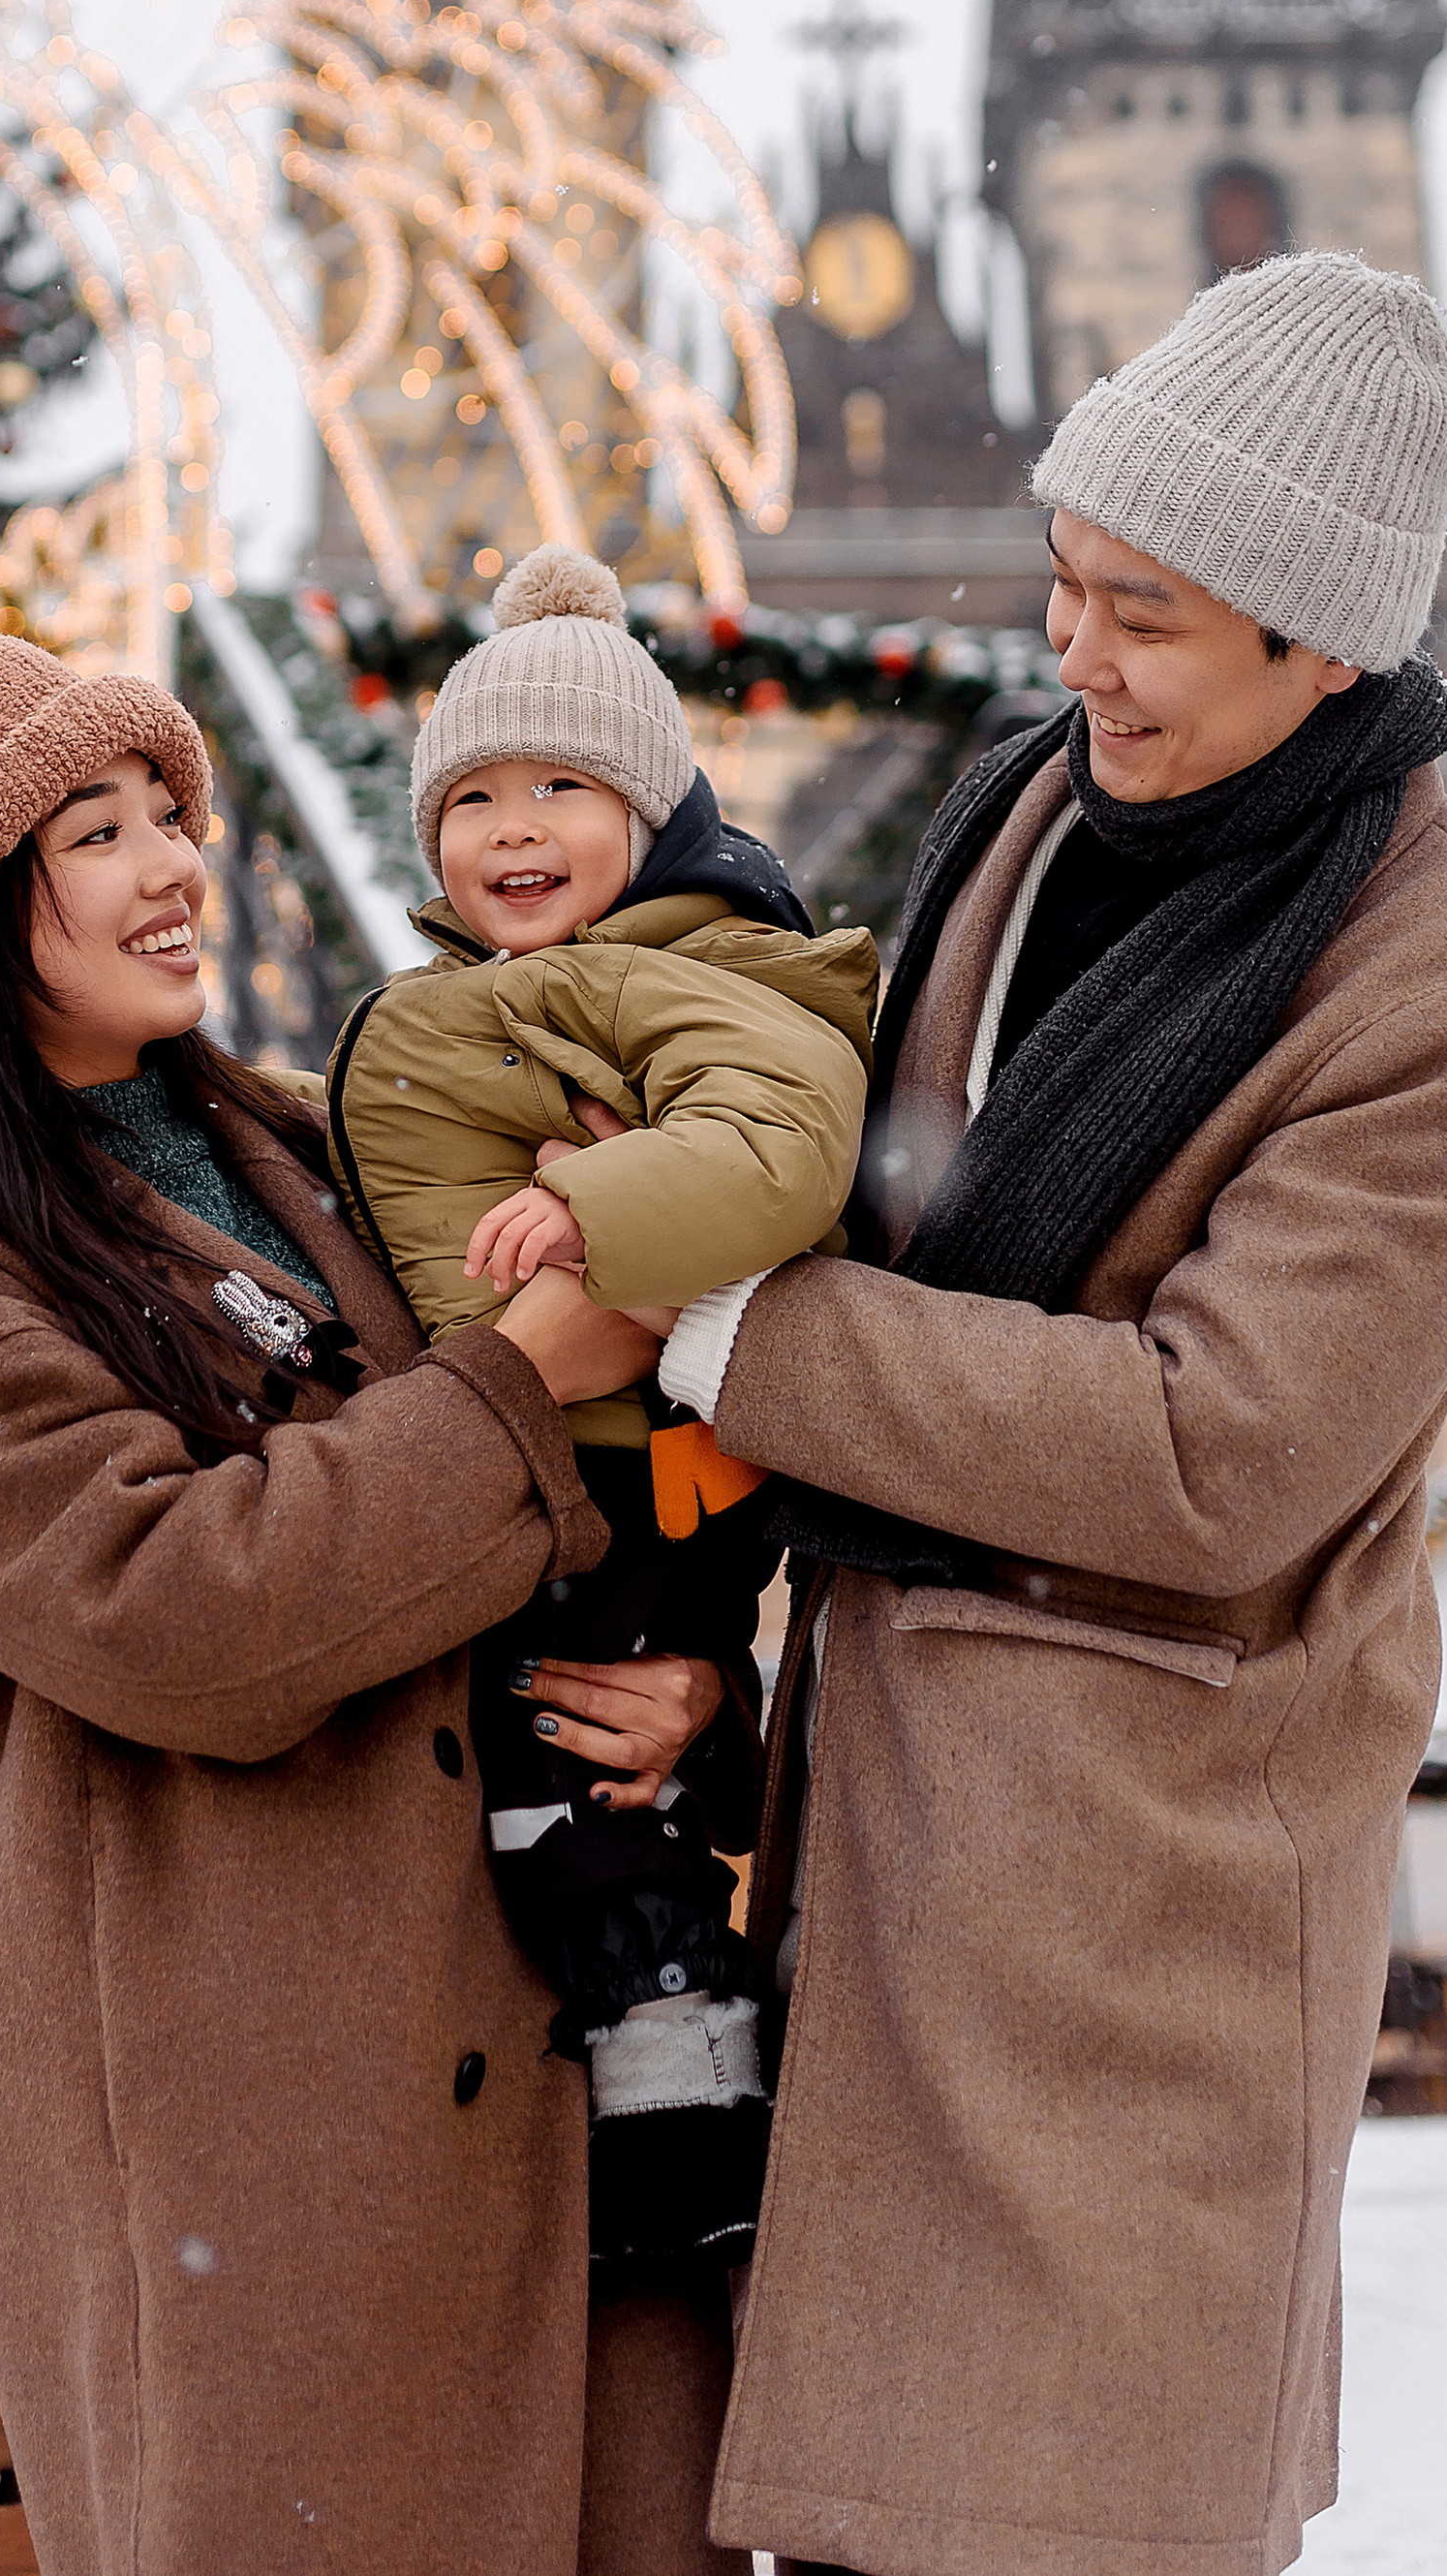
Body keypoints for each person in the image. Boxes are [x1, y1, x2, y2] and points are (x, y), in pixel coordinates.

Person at [650, 252, 1447, 2576]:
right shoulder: (1024, 803)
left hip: (1132, 1901)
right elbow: (880, 1188)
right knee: (860, 2513)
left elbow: (1207, 1454)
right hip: (875, 1825)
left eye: (1139, 613)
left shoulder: (1438, 991)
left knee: (1060, 2514)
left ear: (1318, 639)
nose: (1072, 650)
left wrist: (736, 1332)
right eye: (1061, 581)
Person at [0, 635, 740, 2576]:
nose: (174, 865)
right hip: (252, 2139)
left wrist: (697, 1685)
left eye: (172, 814)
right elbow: (186, 1617)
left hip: (557, 2061)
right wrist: (518, 1377)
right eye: (95, 832)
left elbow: (617, 1488)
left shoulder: (327, 1143)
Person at [324, 544, 877, 2270]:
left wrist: (598, 1209)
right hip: (553, 1456)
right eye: (472, 796)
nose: (513, 826)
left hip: (634, 1472)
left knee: (584, 1770)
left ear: (653, 812)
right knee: (560, 1754)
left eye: (563, 786)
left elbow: (785, 1138)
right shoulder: (498, 997)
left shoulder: (667, 974)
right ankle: (653, 2063)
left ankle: (684, 2093)